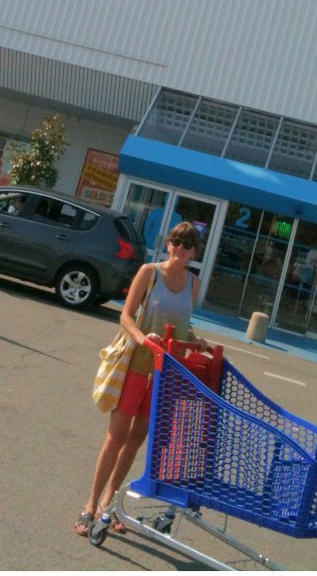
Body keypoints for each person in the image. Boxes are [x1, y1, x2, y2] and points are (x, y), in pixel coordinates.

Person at [74, 221, 207, 537]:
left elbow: (182, 325)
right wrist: (143, 339)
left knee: (136, 439)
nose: (180, 248)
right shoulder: (150, 272)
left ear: (193, 252)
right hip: (137, 364)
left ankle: (109, 503)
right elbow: (126, 316)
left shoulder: (194, 284)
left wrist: (197, 340)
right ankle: (89, 505)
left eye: (187, 244)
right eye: (175, 241)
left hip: (166, 372)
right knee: (116, 436)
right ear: (169, 244)